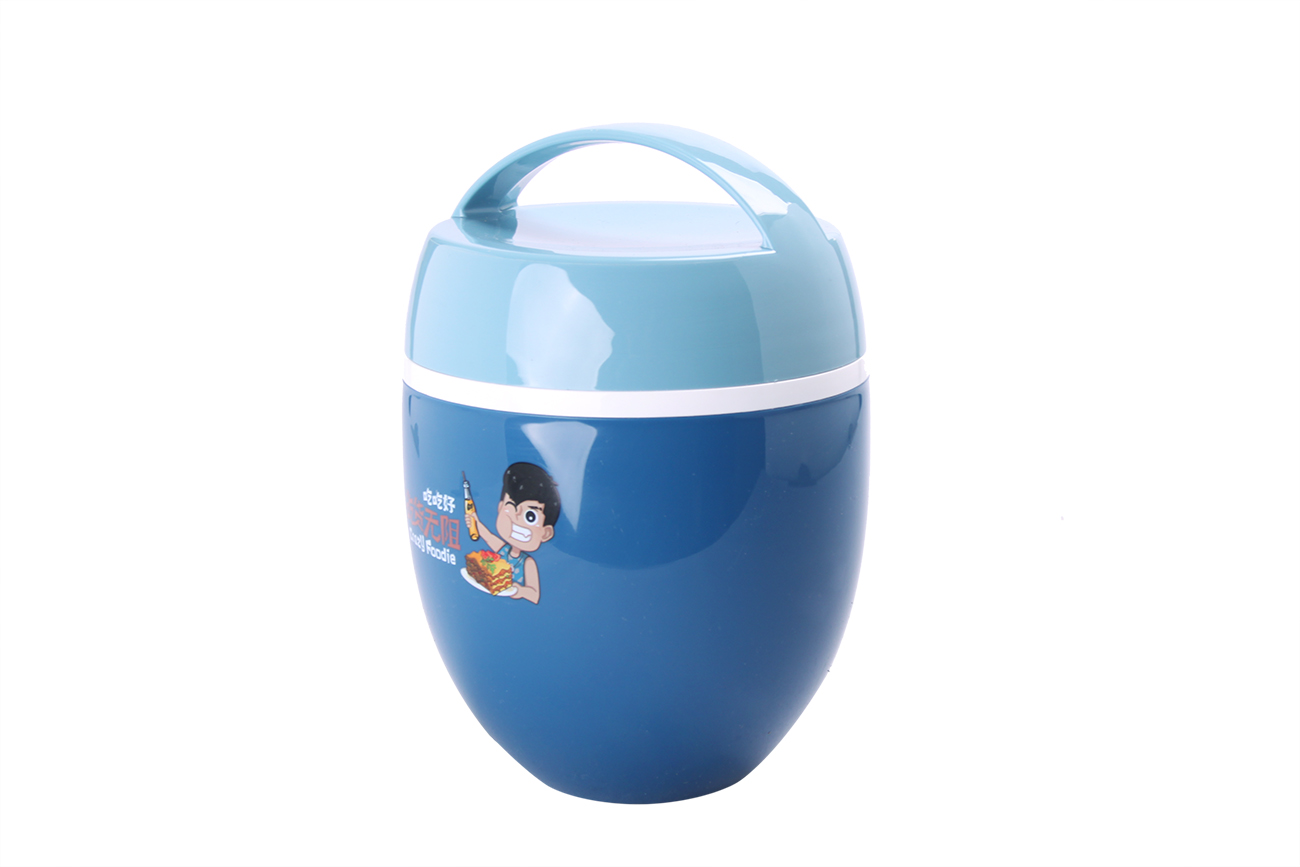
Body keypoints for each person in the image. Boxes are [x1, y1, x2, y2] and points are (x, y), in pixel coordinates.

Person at [470, 462, 560, 605]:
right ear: (500, 507)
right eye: (510, 507)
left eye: (530, 516)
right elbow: (488, 537)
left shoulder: (527, 563)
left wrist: (520, 591)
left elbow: (535, 595)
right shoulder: (504, 550)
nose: (515, 518)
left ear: (546, 533)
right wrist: (474, 520)